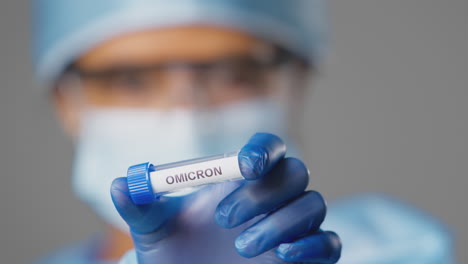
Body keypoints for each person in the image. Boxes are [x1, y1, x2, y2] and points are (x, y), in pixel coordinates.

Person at [30, 0, 453, 263]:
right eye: (132, 80)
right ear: (66, 102)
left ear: (297, 83)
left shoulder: (392, 251)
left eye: (234, 75)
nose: (186, 113)